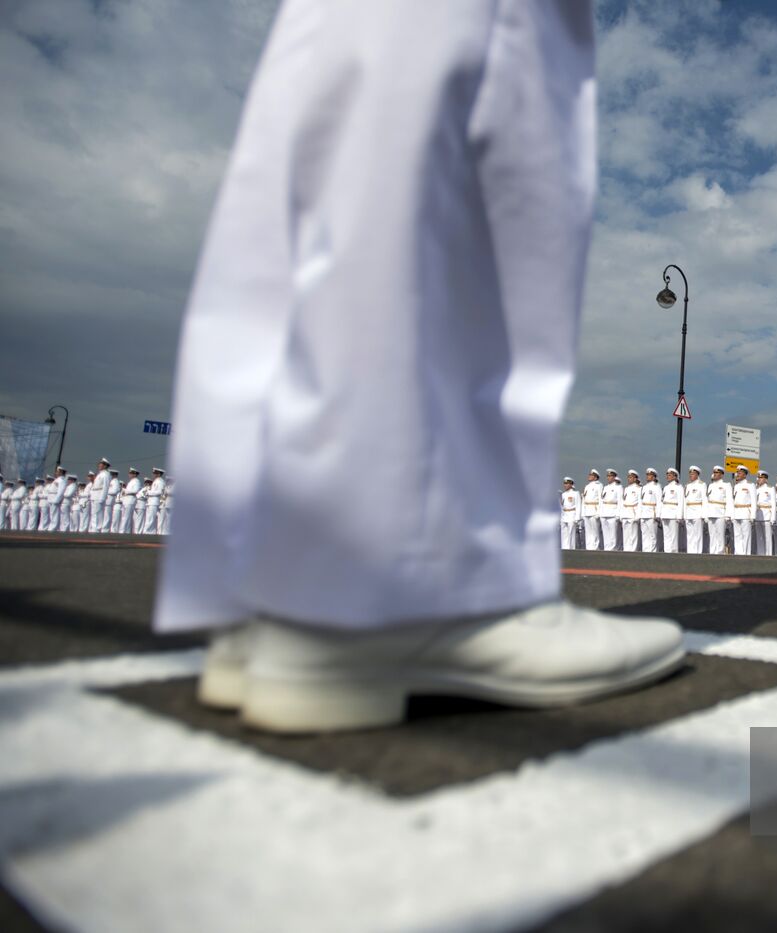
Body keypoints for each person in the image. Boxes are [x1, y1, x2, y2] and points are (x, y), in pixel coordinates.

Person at [156, 0, 681, 734]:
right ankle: (411, 581)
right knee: (506, 43)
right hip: (385, 565)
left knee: (338, 53)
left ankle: (274, 580)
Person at [704, 466, 731, 555]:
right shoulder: (710, 486)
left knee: (720, 535)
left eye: (717, 473)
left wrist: (728, 515)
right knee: (712, 535)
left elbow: (729, 501)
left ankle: (720, 552)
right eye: (714, 473)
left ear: (722, 475)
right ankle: (712, 552)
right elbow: (707, 500)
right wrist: (706, 514)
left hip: (720, 513)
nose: (715, 474)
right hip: (711, 512)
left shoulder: (726, 485)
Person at [730, 465, 755, 556]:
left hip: (745, 512)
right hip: (737, 512)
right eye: (737, 473)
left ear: (745, 475)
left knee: (746, 535)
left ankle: (746, 554)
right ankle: (738, 553)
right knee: (737, 535)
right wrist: (732, 515)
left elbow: (753, 501)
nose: (738, 474)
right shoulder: (736, 486)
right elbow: (733, 501)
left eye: (740, 473)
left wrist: (752, 515)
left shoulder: (750, 485)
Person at [658, 468, 684, 553]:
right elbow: (662, 501)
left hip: (673, 514)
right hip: (665, 513)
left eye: (669, 475)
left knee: (673, 536)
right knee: (666, 535)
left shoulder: (679, 487)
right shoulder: (665, 488)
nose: (667, 477)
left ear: (675, 476)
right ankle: (667, 551)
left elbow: (681, 502)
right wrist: (660, 514)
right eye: (667, 475)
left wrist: (679, 516)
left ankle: (673, 552)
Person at [683, 466, 706, 553]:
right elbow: (685, 501)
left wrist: (703, 514)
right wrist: (684, 515)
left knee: (697, 534)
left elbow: (704, 500)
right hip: (689, 512)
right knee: (690, 534)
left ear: (697, 474)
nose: (691, 475)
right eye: (690, 474)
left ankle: (698, 552)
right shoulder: (687, 485)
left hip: (697, 511)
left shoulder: (702, 484)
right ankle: (690, 552)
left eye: (693, 474)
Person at [599, 469, 622, 551]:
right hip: (604, 512)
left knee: (613, 534)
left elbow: (620, 501)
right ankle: (607, 548)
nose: (608, 478)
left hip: (613, 512)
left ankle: (613, 549)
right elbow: (601, 501)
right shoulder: (605, 487)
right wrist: (600, 513)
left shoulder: (618, 487)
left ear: (614, 477)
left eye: (610, 476)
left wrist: (618, 514)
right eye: (608, 476)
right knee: (606, 534)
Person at [639, 468, 661, 553]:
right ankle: (646, 550)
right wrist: (640, 514)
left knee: (653, 535)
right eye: (647, 475)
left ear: (654, 477)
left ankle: (653, 552)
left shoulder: (657, 487)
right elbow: (641, 501)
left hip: (652, 513)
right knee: (645, 534)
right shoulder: (644, 487)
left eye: (649, 475)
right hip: (644, 513)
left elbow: (659, 502)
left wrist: (658, 515)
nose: (647, 476)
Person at [580, 469, 603, 550]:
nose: (589, 476)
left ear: (595, 477)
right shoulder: (587, 486)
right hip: (587, 510)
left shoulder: (599, 485)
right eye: (589, 475)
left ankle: (595, 547)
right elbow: (584, 500)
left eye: (591, 475)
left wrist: (599, 512)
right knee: (588, 531)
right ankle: (589, 546)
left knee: (595, 531)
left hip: (594, 510)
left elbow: (601, 500)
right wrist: (582, 513)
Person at [754, 469, 776, 555]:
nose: (759, 479)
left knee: (767, 537)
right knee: (759, 537)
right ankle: (760, 553)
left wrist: (773, 518)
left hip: (767, 515)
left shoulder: (770, 489)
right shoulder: (756, 489)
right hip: (758, 514)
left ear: (765, 479)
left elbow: (773, 504)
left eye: (761, 478)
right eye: (758, 478)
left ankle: (768, 554)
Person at [620, 470, 642, 552]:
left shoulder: (639, 489)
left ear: (635, 478)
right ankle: (626, 549)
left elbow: (640, 503)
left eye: (631, 477)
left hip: (633, 512)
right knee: (626, 534)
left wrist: (637, 515)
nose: (629, 479)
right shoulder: (626, 489)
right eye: (628, 477)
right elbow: (623, 502)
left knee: (633, 534)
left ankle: (633, 550)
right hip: (625, 512)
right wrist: (621, 515)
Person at [559, 477, 580, 549]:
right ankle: (564, 547)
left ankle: (571, 548)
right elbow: (562, 506)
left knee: (571, 533)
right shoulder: (563, 494)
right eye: (564, 483)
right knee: (564, 533)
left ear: (571, 484)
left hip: (572, 514)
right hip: (564, 515)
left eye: (567, 484)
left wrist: (577, 517)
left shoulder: (575, 493)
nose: (565, 485)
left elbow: (578, 505)